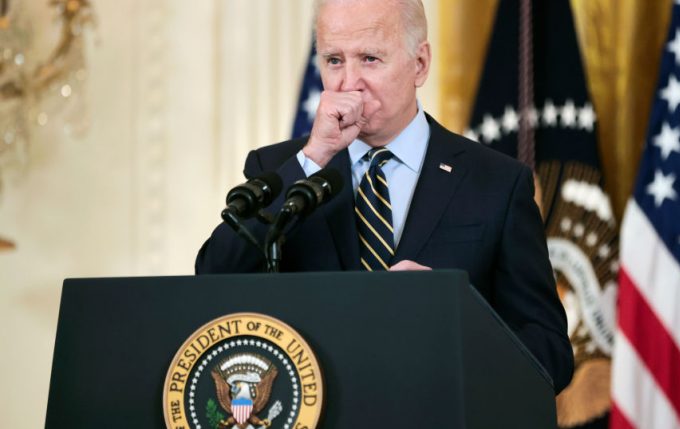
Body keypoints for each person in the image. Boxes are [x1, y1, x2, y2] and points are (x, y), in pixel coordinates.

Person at [196, 0, 573, 393]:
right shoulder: (280, 168)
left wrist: (457, 317)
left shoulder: (496, 182)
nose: (348, 83)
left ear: (420, 64)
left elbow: (550, 354)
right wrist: (313, 158)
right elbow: (212, 282)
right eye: (334, 60)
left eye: (370, 59)